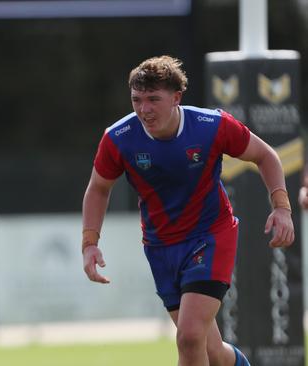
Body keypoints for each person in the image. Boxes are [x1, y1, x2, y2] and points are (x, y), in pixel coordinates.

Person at [82, 55, 294, 366]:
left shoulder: (210, 126)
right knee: (211, 351)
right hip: (161, 247)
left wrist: (282, 207)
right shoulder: (118, 138)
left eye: (154, 99)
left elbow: (266, 156)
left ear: (176, 97)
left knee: (189, 336)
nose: (144, 109)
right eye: (137, 100)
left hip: (211, 235)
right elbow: (98, 188)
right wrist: (89, 243)